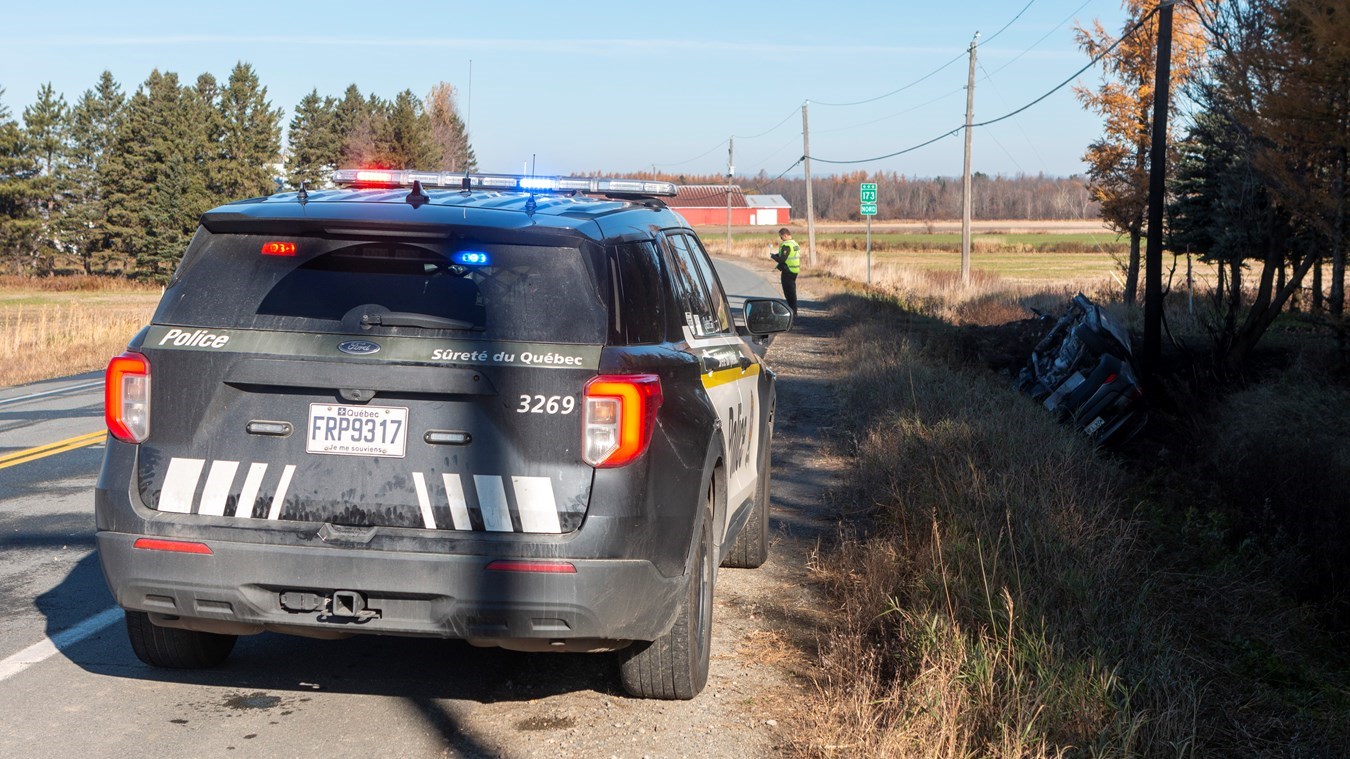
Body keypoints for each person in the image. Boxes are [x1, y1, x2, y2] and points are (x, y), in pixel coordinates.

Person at [770, 227, 800, 314]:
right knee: (792, 291)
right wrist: (778, 256)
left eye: (781, 237)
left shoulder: (786, 245)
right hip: (794, 270)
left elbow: (782, 259)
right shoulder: (794, 243)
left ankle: (792, 311)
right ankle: (793, 310)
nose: (781, 239)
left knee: (788, 292)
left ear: (785, 235)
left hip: (788, 271)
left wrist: (773, 256)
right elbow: (788, 256)